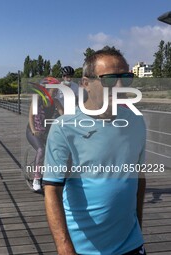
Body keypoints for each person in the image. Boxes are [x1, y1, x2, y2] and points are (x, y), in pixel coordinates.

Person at [43, 48, 146, 255]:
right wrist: (64, 248)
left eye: (125, 79)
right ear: (85, 84)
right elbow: (52, 189)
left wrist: (139, 229)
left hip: (131, 243)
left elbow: (139, 178)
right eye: (109, 80)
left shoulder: (136, 121)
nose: (118, 86)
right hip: (83, 248)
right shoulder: (64, 127)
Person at [26, 77, 60, 191]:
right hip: (33, 131)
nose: (55, 91)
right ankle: (36, 178)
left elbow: (65, 114)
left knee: (57, 149)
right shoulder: (37, 99)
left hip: (46, 131)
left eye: (56, 89)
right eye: (53, 89)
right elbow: (31, 116)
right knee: (41, 150)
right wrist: (33, 129)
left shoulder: (55, 101)